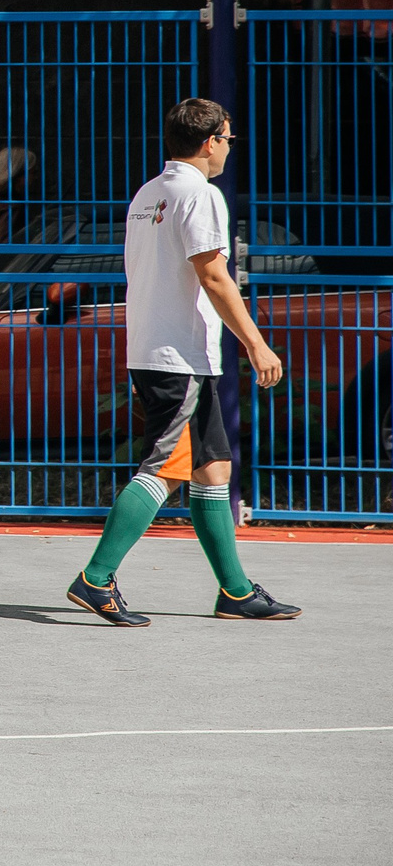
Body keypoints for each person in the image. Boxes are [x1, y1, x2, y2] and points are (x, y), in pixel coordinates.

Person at [67, 98, 298, 625]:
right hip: (180, 356)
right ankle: (95, 578)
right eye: (228, 139)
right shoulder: (201, 194)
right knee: (164, 468)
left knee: (213, 469)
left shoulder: (150, 193)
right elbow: (213, 276)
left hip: (157, 350)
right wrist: (256, 343)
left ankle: (236, 592)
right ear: (210, 141)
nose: (229, 149)